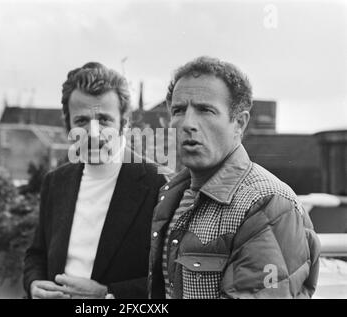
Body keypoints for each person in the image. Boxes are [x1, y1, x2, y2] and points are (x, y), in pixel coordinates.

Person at [148, 56, 320, 299]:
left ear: (239, 123)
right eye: (178, 110)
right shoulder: (171, 194)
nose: (187, 123)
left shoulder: (267, 204)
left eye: (205, 110)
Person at [23, 62, 166, 299]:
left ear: (125, 122)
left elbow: (171, 278)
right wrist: (34, 285)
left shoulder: (160, 184)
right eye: (81, 121)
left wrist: (108, 295)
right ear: (67, 123)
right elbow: (36, 253)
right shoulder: (55, 181)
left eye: (104, 120)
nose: (93, 133)